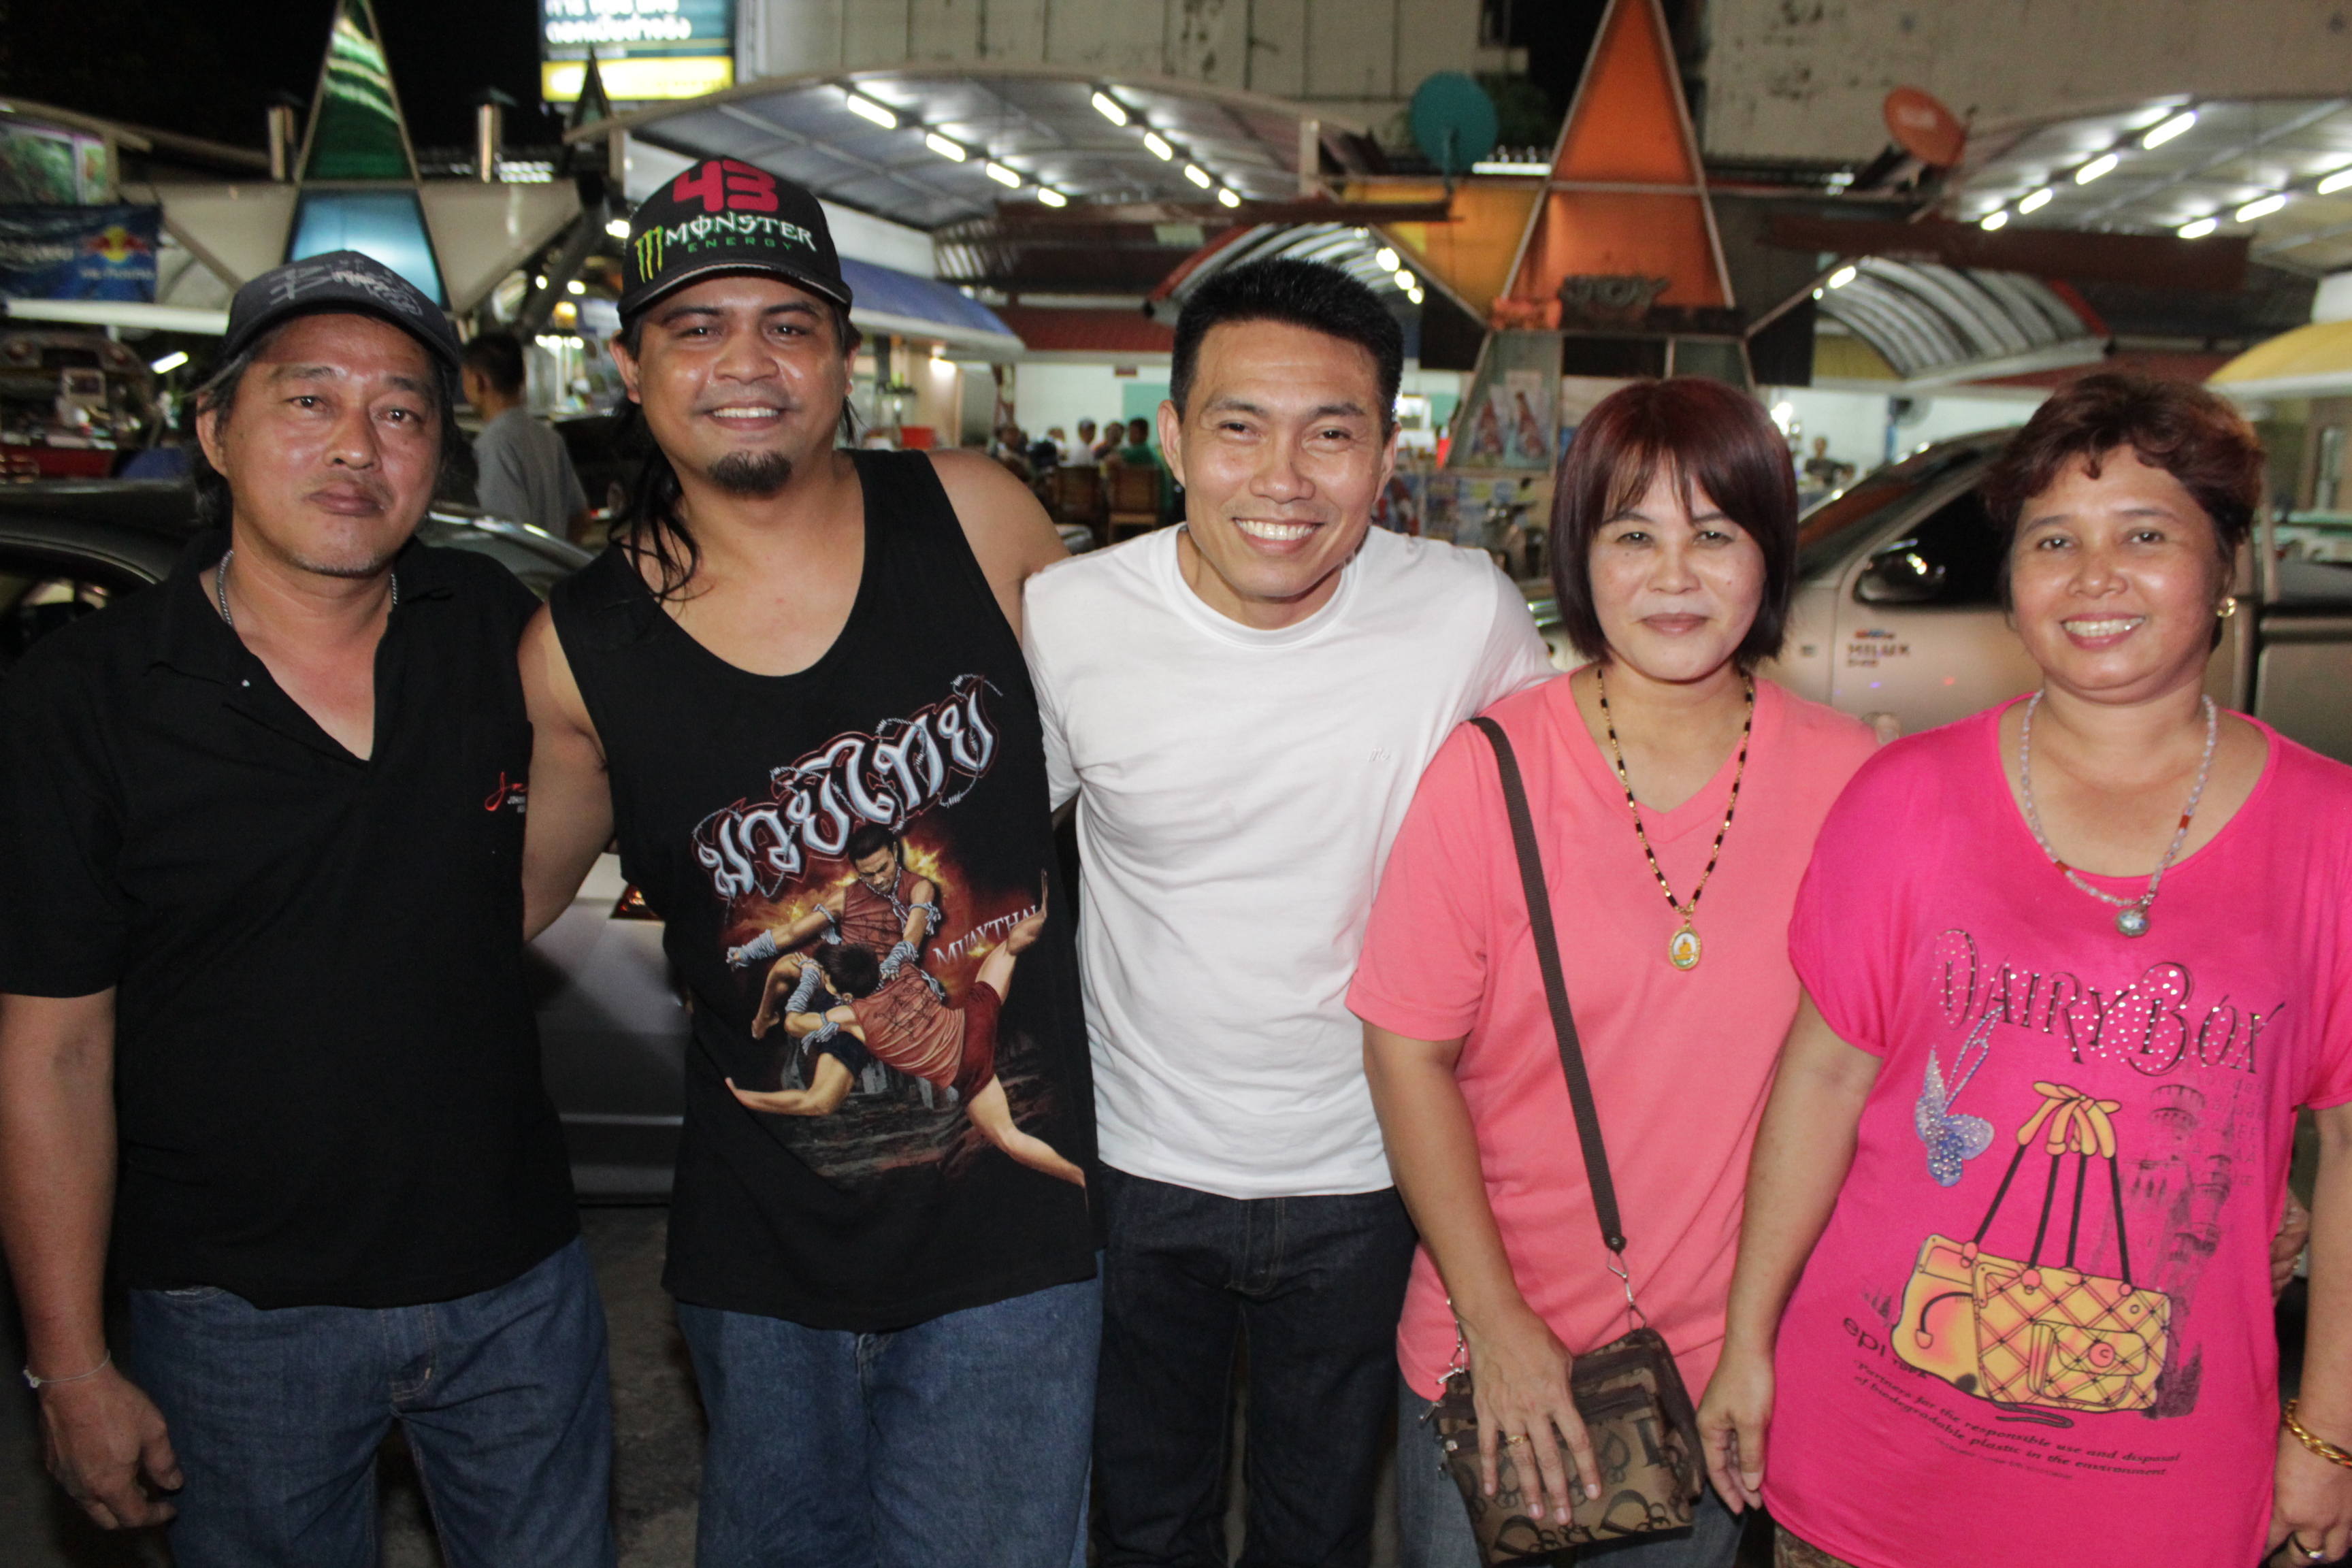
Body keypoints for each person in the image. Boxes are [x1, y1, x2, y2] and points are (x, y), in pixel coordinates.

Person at [517, 159, 1096, 1568]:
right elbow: (492, 905)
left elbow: (1146, 767)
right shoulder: (577, 651)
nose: (746, 363)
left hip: (1016, 1245)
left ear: (843, 357)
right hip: (759, 1262)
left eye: (787, 324)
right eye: (697, 327)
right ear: (631, 368)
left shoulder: (978, 516)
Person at [0, 252, 610, 1565]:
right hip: (235, 1312)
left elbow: (528, 869)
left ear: (438, 451)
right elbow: (53, 1051)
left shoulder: (489, 628)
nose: (356, 446)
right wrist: (70, 1363)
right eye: (308, 400)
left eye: (399, 411)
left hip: (515, 1280)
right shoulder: (89, 695)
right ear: (216, 430)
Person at [1699, 372, 2352, 1568]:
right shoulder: (1903, 798)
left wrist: (2328, 1432)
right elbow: (1824, 1080)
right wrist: (1747, 1342)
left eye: (2145, 535)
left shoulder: (2330, 834)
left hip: (2157, 1494)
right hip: (1869, 1464)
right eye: (2054, 540)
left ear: (2224, 568)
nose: (2095, 575)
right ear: (2012, 583)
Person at [1023, 257, 1556, 1567]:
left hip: (1372, 1173)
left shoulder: (1466, 613)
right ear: (1172, 438)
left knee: (1318, 1531)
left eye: (1330, 433)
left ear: (1388, 453)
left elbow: (1561, 836)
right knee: (1143, 1524)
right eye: (1239, 426)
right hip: (1137, 1170)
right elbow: (989, 872)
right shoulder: (1072, 615)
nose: (1283, 478)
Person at [1351, 378, 1879, 1568]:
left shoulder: (1850, 780)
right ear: (1580, 558)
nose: (1673, 576)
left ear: (1770, 551)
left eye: (1715, 534)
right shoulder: (1491, 770)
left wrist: (1759, 1340)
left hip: (1730, 1371)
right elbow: (1405, 1054)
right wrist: (1499, 1326)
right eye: (1632, 535)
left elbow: (1871, 1073)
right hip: (1497, 1366)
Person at [729, 900, 1084, 1184]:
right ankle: (1043, 913)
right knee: (1008, 949)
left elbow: (793, 1023)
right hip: (974, 1021)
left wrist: (809, 979)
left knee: (1008, 1138)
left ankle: (1079, 1178)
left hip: (964, 1067)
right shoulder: (900, 968)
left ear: (843, 993)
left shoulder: (851, 1015)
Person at [460, 330, 593, 540]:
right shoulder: (550, 438)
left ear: (478, 381)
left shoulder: (493, 445)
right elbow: (581, 519)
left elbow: (507, 534)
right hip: (553, 561)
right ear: (523, 376)